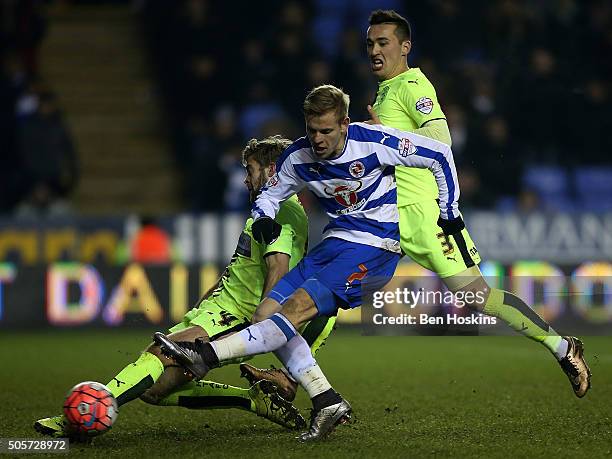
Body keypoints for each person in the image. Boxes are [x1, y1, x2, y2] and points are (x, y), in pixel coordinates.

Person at [154, 84, 462, 441]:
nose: (318, 139)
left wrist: (449, 211)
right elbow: (269, 194)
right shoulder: (299, 157)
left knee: (294, 309)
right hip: (335, 242)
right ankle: (326, 399)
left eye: (327, 131)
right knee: (266, 312)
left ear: (345, 123)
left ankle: (204, 355)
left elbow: (439, 154)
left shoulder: (376, 141)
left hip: (376, 246)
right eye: (312, 130)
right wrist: (266, 215)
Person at [34, 136, 337, 437]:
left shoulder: (281, 209)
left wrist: (261, 329)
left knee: (157, 354)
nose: (246, 180)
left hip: (232, 317)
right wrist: (205, 301)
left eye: (250, 170)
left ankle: (89, 412)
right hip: (216, 310)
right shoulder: (276, 208)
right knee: (154, 391)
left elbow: (278, 267)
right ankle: (253, 401)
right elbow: (244, 268)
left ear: (272, 170)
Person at [365, 9, 590, 396]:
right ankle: (308, 381)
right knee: (339, 285)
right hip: (387, 215)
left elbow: (440, 140)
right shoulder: (386, 89)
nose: (374, 50)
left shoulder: (413, 87)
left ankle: (561, 346)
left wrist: (385, 136)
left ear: (405, 47)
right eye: (370, 43)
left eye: (382, 42)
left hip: (424, 216)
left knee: (477, 296)